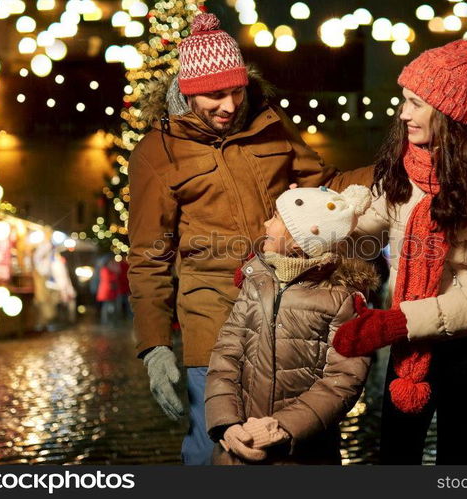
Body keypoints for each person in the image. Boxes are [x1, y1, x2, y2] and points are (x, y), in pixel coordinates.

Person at [127, 12, 374, 465]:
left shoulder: (270, 127)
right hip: (213, 319)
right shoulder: (156, 153)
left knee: (293, 442)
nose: (228, 104)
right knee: (214, 446)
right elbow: (148, 257)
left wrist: (393, 170)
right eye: (214, 94)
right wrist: (155, 345)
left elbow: (327, 187)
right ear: (186, 91)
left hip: (287, 312)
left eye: (235, 90)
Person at [332, 30, 467, 464]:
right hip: (411, 340)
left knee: (458, 464)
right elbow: (368, 228)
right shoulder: (409, 166)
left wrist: (397, 323)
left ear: (448, 110)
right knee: (395, 459)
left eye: (415, 103)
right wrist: (312, 226)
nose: (403, 114)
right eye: (403, 100)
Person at [205, 185, 377, 464]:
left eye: (275, 217)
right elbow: (225, 355)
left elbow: (344, 379)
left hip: (303, 453)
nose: (265, 223)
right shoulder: (256, 280)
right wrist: (227, 423)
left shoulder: (342, 298)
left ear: (299, 240)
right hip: (238, 446)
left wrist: (283, 427)